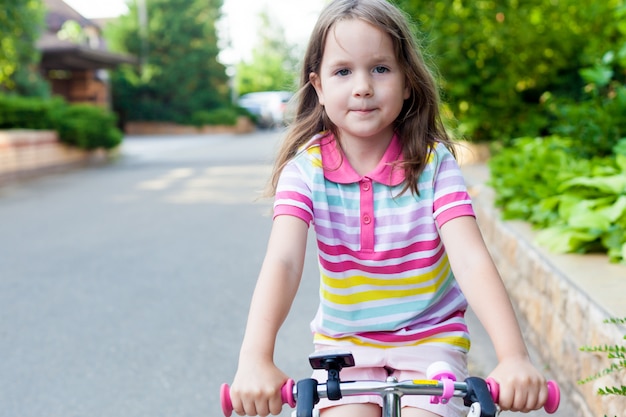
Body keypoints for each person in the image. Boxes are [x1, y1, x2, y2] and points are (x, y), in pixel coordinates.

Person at [227, 1, 549, 416]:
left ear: (408, 81)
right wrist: (255, 358)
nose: (362, 86)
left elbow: (470, 260)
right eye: (343, 71)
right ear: (319, 86)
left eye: (380, 68)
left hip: (431, 339)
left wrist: (513, 357)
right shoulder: (305, 170)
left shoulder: (433, 165)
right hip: (345, 348)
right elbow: (284, 262)